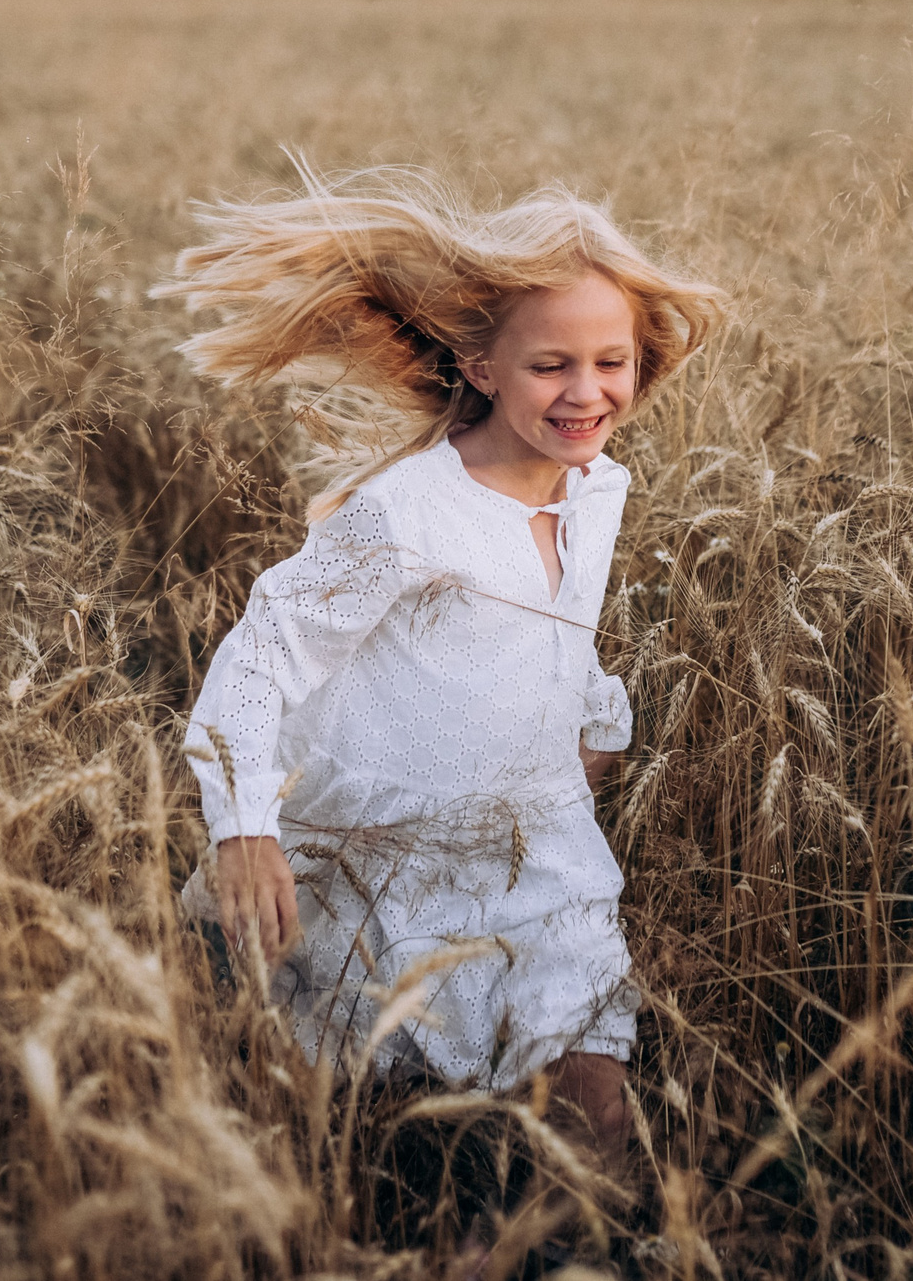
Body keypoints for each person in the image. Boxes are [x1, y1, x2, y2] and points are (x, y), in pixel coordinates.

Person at [158, 173, 723, 1170]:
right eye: (550, 364)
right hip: (389, 860)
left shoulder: (596, 487)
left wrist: (591, 730)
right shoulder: (407, 511)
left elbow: (553, 627)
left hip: (538, 856)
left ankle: (521, 1237)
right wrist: (243, 827)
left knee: (593, 1129)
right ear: (481, 365)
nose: (586, 391)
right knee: (366, 1138)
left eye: (611, 361)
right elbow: (260, 652)